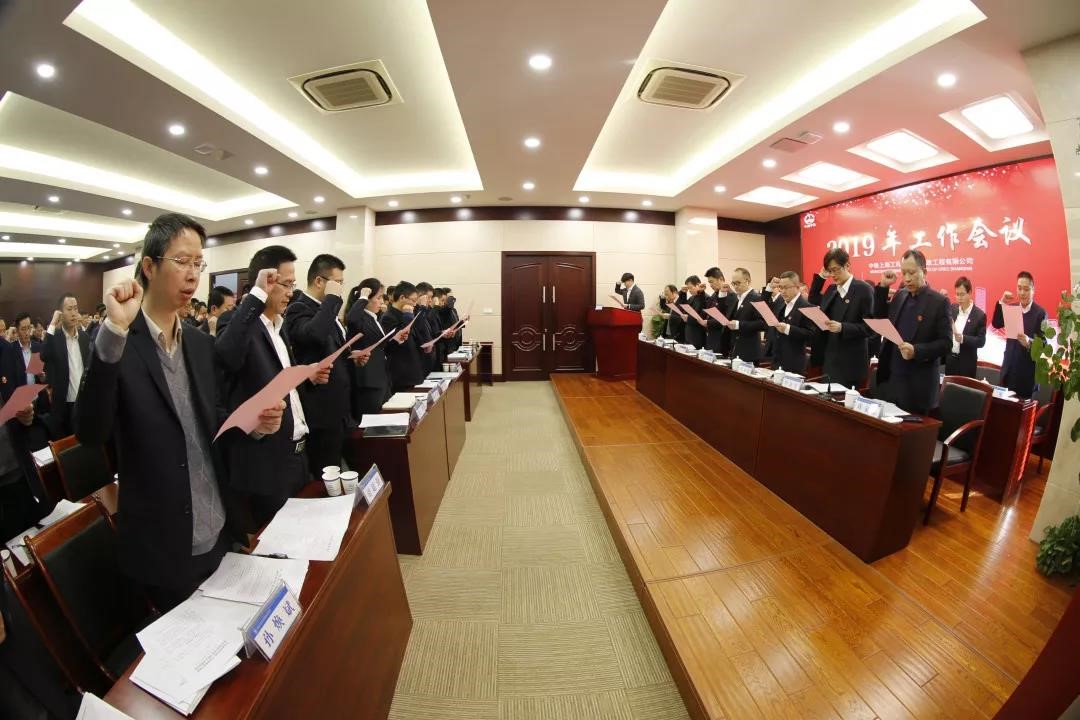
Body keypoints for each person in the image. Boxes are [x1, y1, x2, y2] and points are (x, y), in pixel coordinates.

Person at [75, 213, 282, 610]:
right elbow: (90, 431)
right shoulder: (118, 342)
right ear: (149, 266)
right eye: (182, 261)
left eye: (198, 264)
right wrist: (114, 331)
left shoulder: (200, 345)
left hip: (218, 526)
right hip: (163, 544)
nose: (193, 275)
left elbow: (211, 417)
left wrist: (254, 424)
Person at [216, 245, 328, 528]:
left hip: (297, 453)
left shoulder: (280, 326)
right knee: (277, 539)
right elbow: (227, 355)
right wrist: (256, 295)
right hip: (266, 461)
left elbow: (281, 381)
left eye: (293, 284)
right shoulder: (239, 322)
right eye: (286, 284)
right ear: (265, 281)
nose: (291, 292)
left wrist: (308, 377)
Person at [284, 254, 353, 474]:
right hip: (320, 409)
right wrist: (332, 298)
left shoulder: (326, 310)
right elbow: (315, 335)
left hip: (339, 407)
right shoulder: (298, 308)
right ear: (319, 281)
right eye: (337, 283)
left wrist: (352, 356)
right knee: (326, 472)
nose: (340, 289)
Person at [872, 250, 952, 414]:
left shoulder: (939, 302)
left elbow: (946, 343)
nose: (907, 278)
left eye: (912, 272)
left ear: (924, 271)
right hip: (892, 381)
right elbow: (880, 319)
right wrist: (883, 287)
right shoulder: (900, 296)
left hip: (918, 387)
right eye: (903, 273)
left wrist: (916, 350)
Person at [808, 248, 876, 388]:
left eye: (835, 270)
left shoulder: (863, 289)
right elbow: (813, 299)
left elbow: (870, 328)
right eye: (830, 271)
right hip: (830, 357)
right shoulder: (832, 289)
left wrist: (842, 327)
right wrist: (822, 276)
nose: (833, 275)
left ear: (847, 265)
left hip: (851, 361)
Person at [991, 271, 1047, 399]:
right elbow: (996, 323)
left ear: (1033, 290)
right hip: (1008, 372)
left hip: (1026, 376)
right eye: (1019, 288)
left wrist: (1029, 342)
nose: (1022, 293)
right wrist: (1002, 302)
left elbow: (1044, 345)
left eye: (1026, 289)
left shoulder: (1040, 313)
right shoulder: (1012, 308)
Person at [41, 293, 91, 436]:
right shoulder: (55, 338)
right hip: (63, 404)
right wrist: (52, 323)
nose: (74, 313)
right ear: (61, 313)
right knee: (66, 442)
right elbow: (44, 354)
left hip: (83, 402)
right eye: (69, 309)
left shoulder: (84, 337)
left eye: (76, 308)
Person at [346, 279, 389, 415]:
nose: (382, 302)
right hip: (367, 379)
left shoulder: (373, 318)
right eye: (378, 298)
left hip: (381, 375)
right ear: (367, 300)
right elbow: (351, 319)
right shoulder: (359, 318)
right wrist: (363, 297)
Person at [769, 271, 815, 374]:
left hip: (794, 363)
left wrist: (788, 329)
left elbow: (811, 334)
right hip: (777, 360)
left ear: (797, 287)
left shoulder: (807, 307)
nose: (783, 291)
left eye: (786, 287)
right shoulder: (781, 303)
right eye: (781, 287)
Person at [382, 282, 424, 391]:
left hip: (413, 370)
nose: (415, 304)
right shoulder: (388, 317)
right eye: (413, 300)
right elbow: (400, 341)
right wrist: (408, 316)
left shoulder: (407, 314)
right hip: (401, 374)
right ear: (402, 297)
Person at [944, 276, 986, 378]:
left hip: (966, 364)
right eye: (957, 294)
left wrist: (963, 338)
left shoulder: (979, 315)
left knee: (965, 388)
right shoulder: (953, 308)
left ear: (970, 293)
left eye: (962, 294)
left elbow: (981, 341)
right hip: (950, 361)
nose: (959, 298)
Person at [724, 268, 766, 362]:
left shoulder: (757, 298)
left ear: (748, 281)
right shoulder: (736, 298)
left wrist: (739, 325)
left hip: (749, 352)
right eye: (733, 283)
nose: (735, 286)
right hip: (735, 349)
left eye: (738, 283)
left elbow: (763, 324)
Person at [0, 313, 43, 403]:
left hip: (38, 400)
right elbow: (8, 384)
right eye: (23, 329)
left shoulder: (37, 347)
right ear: (17, 331)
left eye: (29, 328)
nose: (27, 332)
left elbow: (42, 378)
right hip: (21, 403)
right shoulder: (10, 350)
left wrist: (43, 377)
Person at [703, 267, 732, 355]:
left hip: (722, 340)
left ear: (721, 279)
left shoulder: (730, 295)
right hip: (711, 338)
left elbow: (726, 319)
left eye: (712, 281)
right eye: (709, 282)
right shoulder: (713, 296)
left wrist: (708, 322)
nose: (710, 285)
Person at [681, 275, 707, 349]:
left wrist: (688, 318)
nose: (689, 290)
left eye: (691, 288)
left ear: (698, 285)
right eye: (688, 288)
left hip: (698, 335)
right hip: (688, 334)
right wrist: (683, 293)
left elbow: (701, 316)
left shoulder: (705, 298)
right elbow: (683, 309)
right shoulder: (691, 298)